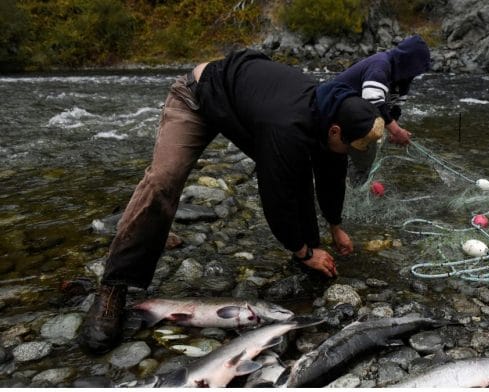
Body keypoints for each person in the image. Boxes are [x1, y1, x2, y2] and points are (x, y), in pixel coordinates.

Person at [77, 49, 384, 354]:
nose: (352, 152)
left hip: (243, 108)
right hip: (197, 97)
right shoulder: (287, 126)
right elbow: (275, 196)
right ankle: (113, 286)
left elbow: (330, 173)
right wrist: (303, 251)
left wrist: (335, 225)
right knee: (163, 181)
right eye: (351, 145)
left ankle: (306, 249)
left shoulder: (332, 110)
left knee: (301, 166)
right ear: (335, 130)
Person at [333, 35, 431, 184]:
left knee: (366, 156)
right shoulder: (380, 65)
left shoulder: (403, 80)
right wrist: (397, 131)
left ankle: (355, 182)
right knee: (355, 160)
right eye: (417, 69)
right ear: (407, 61)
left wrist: (391, 132)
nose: (416, 74)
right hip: (334, 111)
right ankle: (353, 184)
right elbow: (373, 103)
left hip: (356, 119)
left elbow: (394, 111)